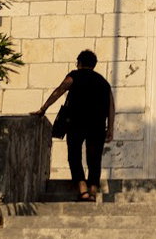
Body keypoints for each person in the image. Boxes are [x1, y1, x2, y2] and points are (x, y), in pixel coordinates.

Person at [32, 49, 115, 202]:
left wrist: (43, 108)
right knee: (94, 158)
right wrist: (110, 128)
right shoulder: (103, 82)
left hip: (76, 123)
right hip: (97, 125)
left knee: (74, 156)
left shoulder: (74, 76)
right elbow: (111, 106)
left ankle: (82, 189)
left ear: (79, 63)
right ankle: (93, 190)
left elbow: (59, 90)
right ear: (94, 64)